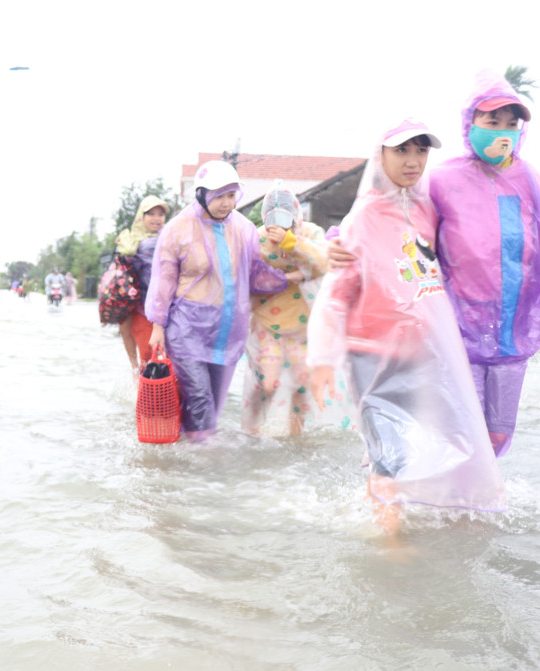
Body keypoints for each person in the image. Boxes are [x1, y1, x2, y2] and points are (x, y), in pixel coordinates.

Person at [329, 70, 540, 458]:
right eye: (492, 121)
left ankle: (476, 506)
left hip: (511, 336)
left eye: (511, 123)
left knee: (498, 436)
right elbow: (395, 215)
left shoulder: (530, 182)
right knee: (458, 431)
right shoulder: (443, 180)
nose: (503, 130)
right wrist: (338, 240)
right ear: (471, 124)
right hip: (456, 334)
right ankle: (442, 502)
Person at [309, 118, 505, 528]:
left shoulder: (426, 209)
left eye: (421, 151)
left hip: (423, 353)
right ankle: (388, 543)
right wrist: (323, 358)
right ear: (380, 157)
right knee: (389, 452)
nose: (413, 161)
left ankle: (398, 516)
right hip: (373, 355)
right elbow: (335, 294)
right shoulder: (362, 218)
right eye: (402, 151)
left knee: (425, 444)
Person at [146, 160, 290, 441]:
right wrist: (157, 325)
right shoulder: (178, 229)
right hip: (187, 329)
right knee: (199, 396)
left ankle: (187, 450)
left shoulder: (244, 228)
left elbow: (255, 273)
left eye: (231, 195)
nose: (226, 203)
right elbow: (163, 280)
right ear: (202, 195)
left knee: (214, 404)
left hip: (228, 330)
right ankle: (203, 464)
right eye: (219, 196)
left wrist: (291, 278)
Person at [241, 183, 329, 435]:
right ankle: (251, 431)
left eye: (287, 221)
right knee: (267, 384)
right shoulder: (256, 238)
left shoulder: (310, 233)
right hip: (268, 325)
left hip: (304, 326)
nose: (279, 228)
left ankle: (295, 439)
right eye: (274, 222)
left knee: (303, 385)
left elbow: (323, 263)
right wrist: (289, 277)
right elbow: (246, 276)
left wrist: (291, 242)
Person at [114, 195, 170, 371]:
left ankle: (145, 384)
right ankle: (142, 385)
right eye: (151, 213)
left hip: (165, 307)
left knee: (160, 357)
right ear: (141, 217)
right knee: (149, 355)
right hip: (141, 308)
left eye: (160, 214)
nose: (156, 218)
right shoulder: (131, 242)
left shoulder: (168, 237)